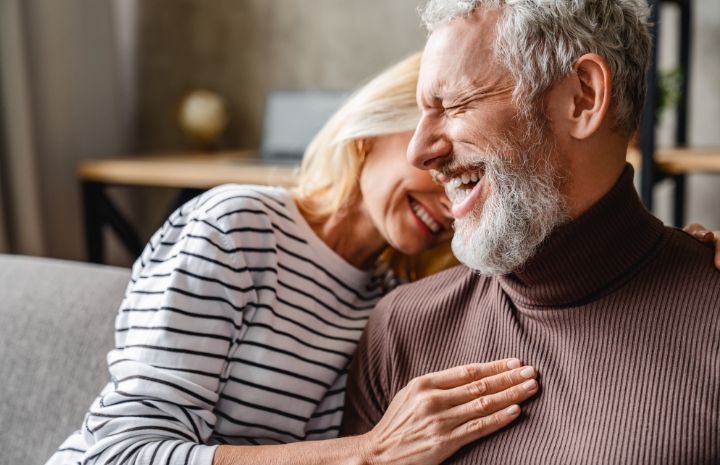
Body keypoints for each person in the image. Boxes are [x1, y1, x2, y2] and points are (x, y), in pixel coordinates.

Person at [47, 53, 540, 465]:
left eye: (468, 185)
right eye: (440, 167)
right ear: (372, 130)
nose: (449, 204)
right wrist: (368, 453)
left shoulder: (389, 302)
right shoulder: (236, 226)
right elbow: (122, 453)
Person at [343, 1, 720, 463]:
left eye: (455, 105)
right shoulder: (401, 329)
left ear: (582, 97)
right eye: (424, 113)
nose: (419, 151)